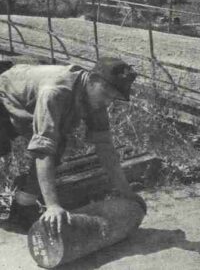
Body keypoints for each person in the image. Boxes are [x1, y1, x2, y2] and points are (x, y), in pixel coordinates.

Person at [0, 56, 146, 232]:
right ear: (92, 80)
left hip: (27, 101)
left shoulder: (96, 97)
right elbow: (42, 151)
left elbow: (105, 147)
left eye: (113, 98)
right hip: (5, 92)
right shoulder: (56, 91)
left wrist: (126, 191)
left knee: (58, 143)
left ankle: (23, 207)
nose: (107, 102)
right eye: (106, 94)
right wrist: (53, 205)